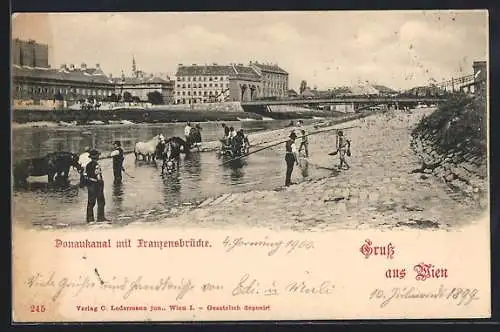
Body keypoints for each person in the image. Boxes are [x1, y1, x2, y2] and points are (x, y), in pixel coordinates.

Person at [85, 149, 109, 223]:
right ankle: (100, 218)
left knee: (91, 202)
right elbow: (98, 176)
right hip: (97, 185)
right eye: (98, 155)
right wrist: (101, 183)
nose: (99, 156)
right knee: (101, 201)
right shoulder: (97, 165)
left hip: (90, 184)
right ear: (96, 156)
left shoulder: (88, 165)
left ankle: (89, 219)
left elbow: (85, 175)